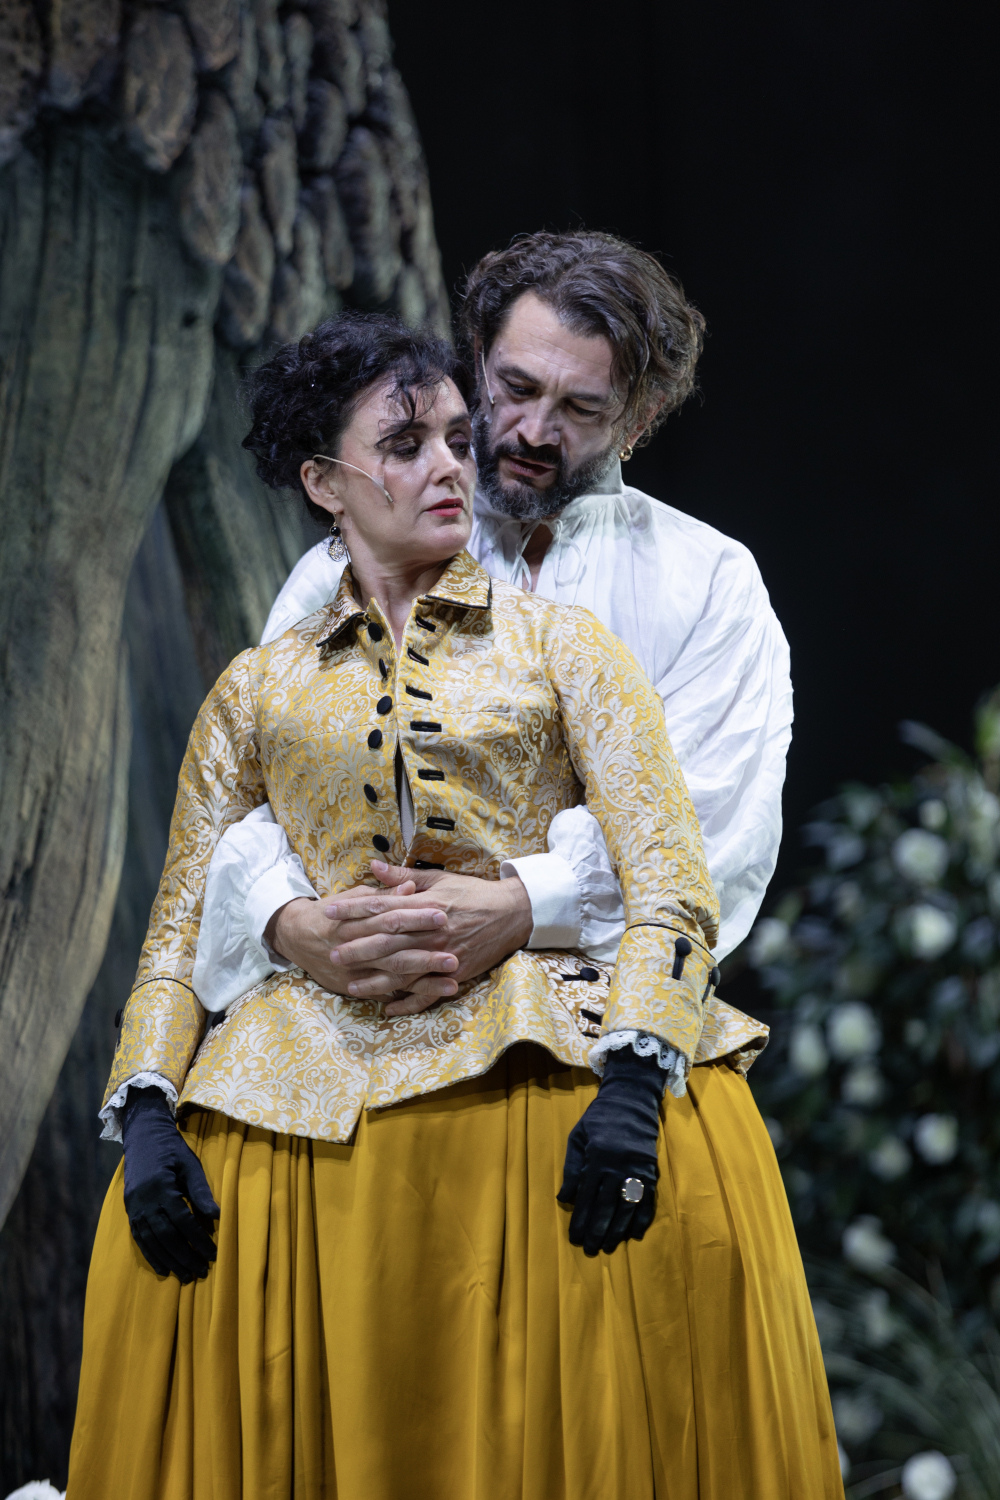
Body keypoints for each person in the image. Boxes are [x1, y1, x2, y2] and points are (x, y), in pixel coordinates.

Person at [67, 313, 843, 1499]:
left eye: (451, 438)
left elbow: (672, 877)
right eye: (405, 444)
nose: (451, 465)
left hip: (538, 1082)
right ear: (324, 483)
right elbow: (181, 917)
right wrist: (147, 1109)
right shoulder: (255, 688)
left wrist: (636, 1079)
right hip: (303, 1109)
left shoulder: (567, 644)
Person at [190, 230, 793, 1026]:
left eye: (580, 407)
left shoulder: (707, 581)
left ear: (640, 417)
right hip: (346, 1018)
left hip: (595, 1028)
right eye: (515, 387)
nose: (533, 432)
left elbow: (715, 826)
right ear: (477, 360)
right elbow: (249, 796)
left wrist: (524, 905)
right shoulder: (347, 563)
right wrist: (289, 921)